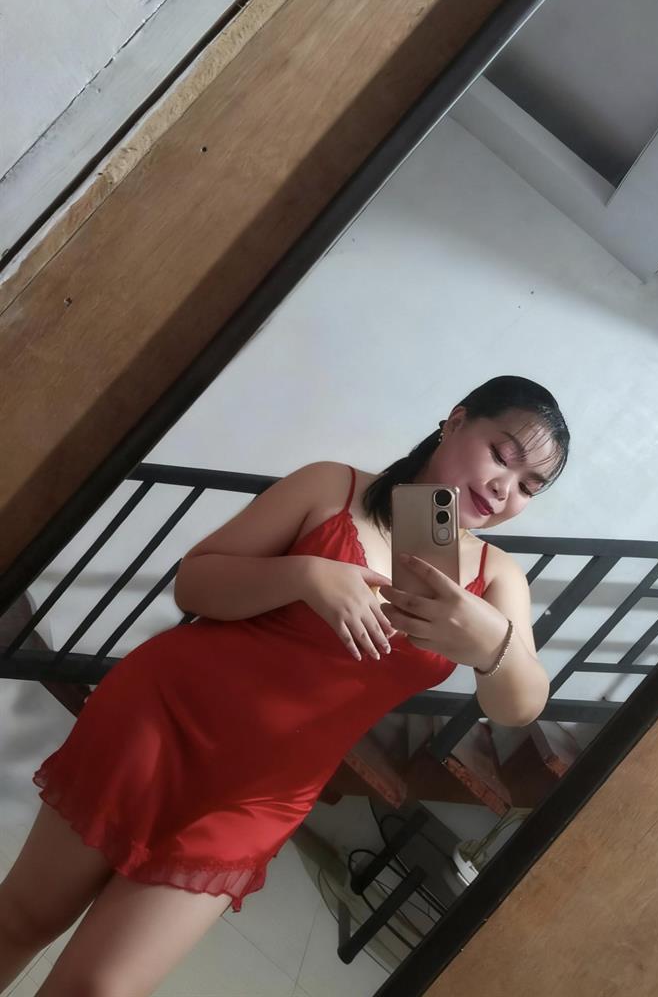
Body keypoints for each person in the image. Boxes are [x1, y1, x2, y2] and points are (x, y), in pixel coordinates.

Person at [0, 375, 569, 996]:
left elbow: (519, 706)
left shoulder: (496, 577)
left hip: (262, 793)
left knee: (100, 988)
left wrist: (493, 644)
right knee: (24, 917)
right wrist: (305, 575)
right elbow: (195, 584)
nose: (504, 488)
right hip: (161, 721)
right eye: (502, 455)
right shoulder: (331, 487)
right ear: (455, 421)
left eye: (528, 486)